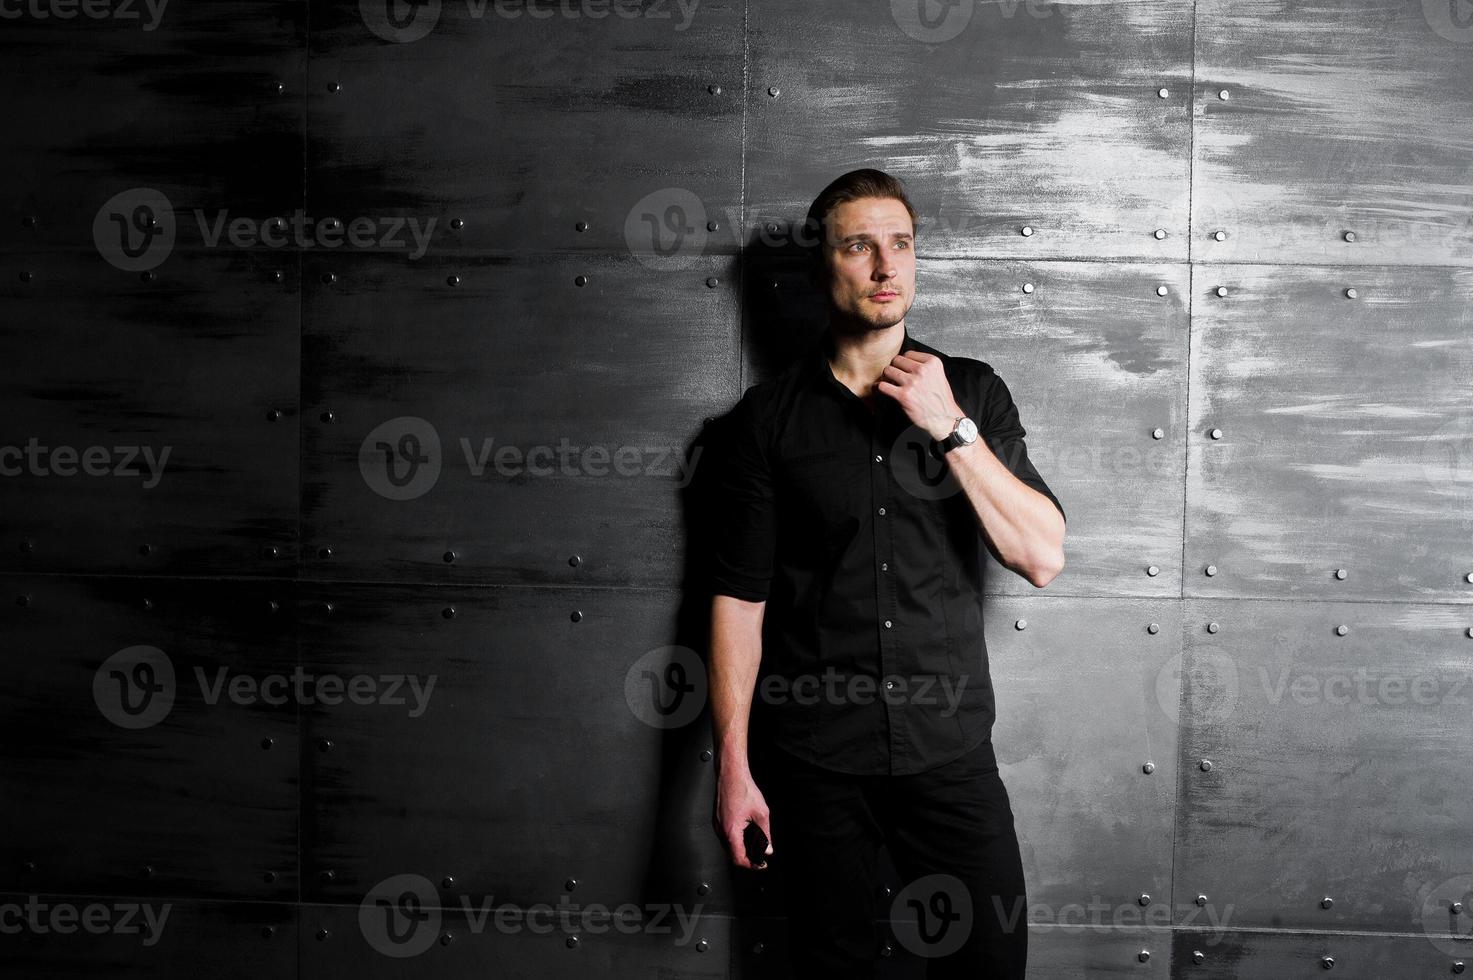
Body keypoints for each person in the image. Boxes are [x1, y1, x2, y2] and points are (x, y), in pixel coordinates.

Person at [707, 168, 1067, 978]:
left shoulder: (970, 390)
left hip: (948, 754)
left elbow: (1040, 555)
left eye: (899, 244)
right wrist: (733, 770)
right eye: (859, 245)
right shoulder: (764, 424)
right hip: (814, 765)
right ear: (821, 266)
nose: (884, 266)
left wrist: (950, 428)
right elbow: (737, 602)